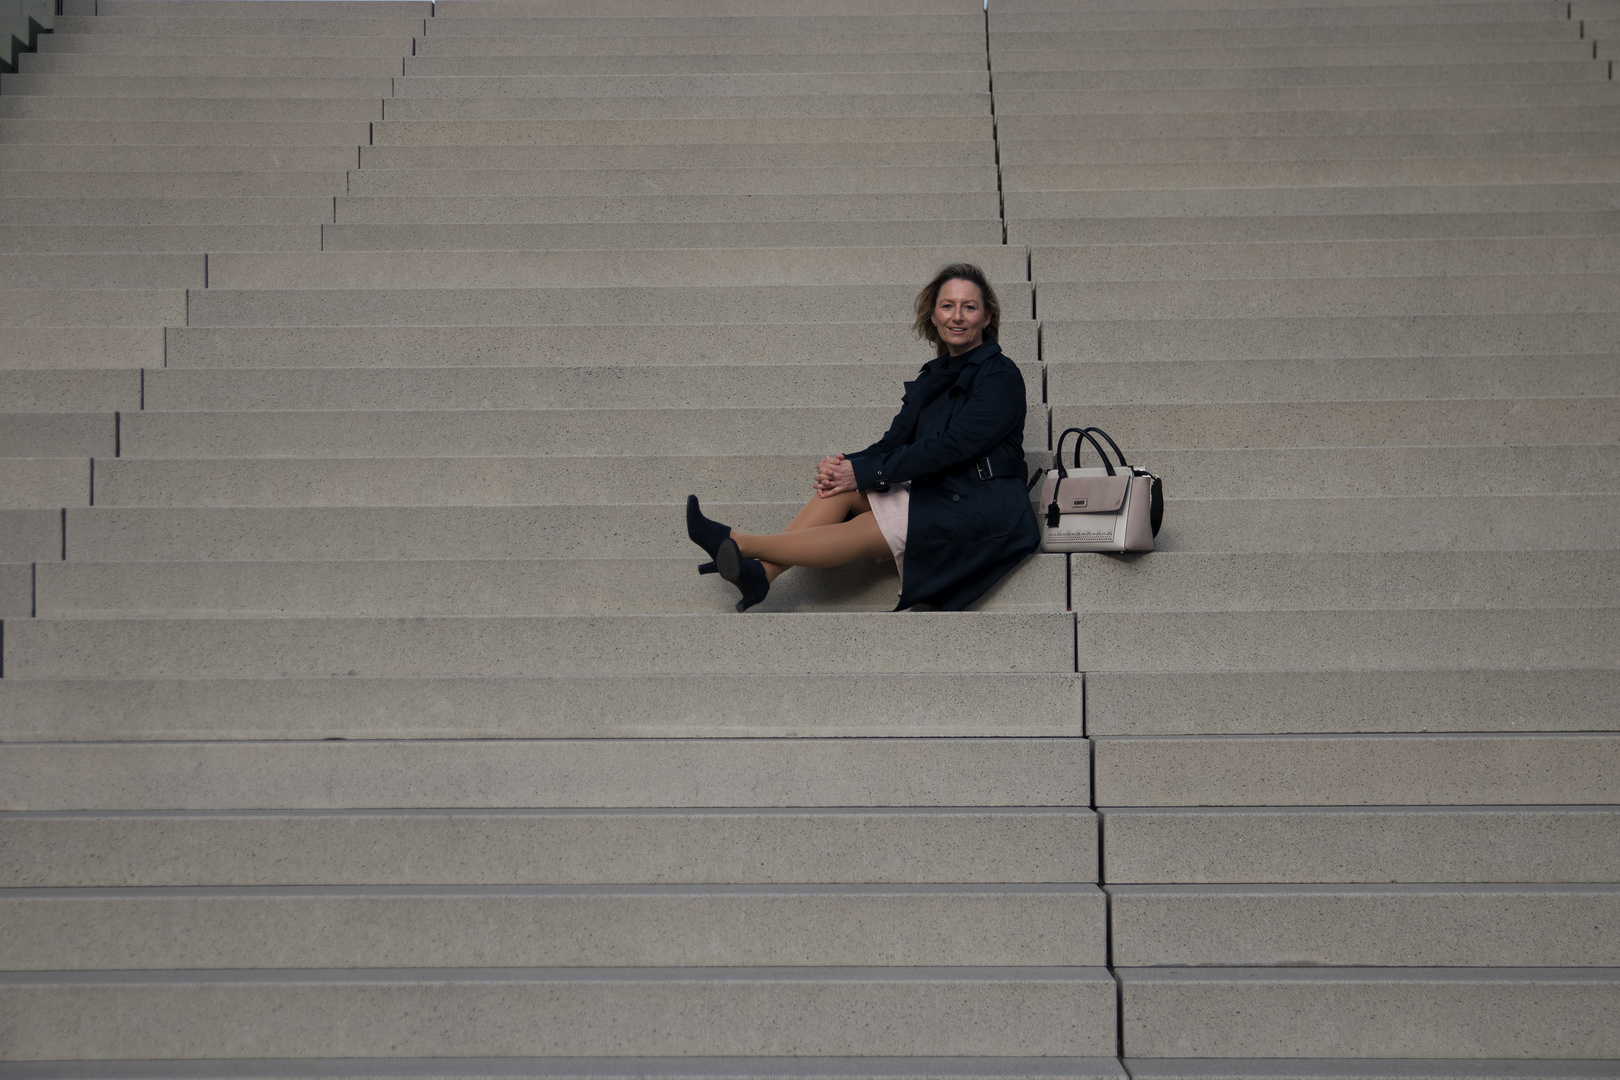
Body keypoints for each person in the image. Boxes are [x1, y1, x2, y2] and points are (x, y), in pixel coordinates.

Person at [686, 262, 1040, 612]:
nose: (957, 316)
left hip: (982, 508)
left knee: (873, 518)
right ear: (933, 316)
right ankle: (762, 574)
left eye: (969, 307)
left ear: (987, 317)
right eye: (947, 306)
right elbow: (892, 444)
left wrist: (867, 471)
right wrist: (846, 466)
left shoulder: (1001, 376)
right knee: (841, 487)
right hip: (941, 493)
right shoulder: (935, 376)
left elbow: (954, 446)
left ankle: (740, 543)